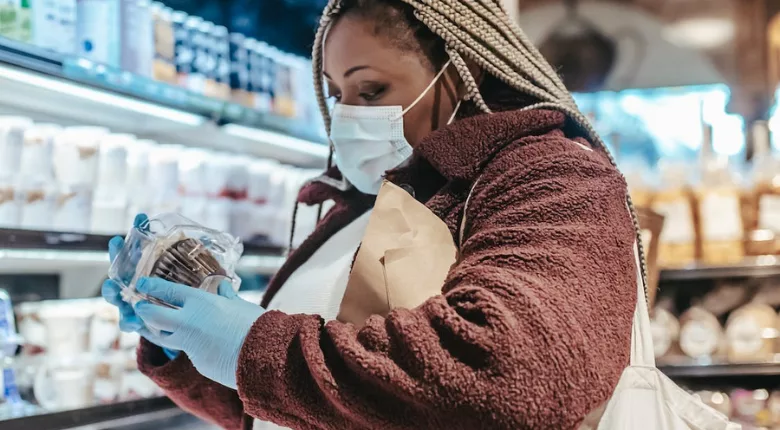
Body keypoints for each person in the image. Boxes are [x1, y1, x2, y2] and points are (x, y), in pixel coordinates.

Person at [101, 0, 645, 429]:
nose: (346, 116)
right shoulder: (352, 210)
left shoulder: (551, 177)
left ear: (457, 72)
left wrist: (250, 345)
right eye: (337, 93)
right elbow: (311, 405)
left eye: (371, 89)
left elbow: (515, 376)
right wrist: (189, 343)